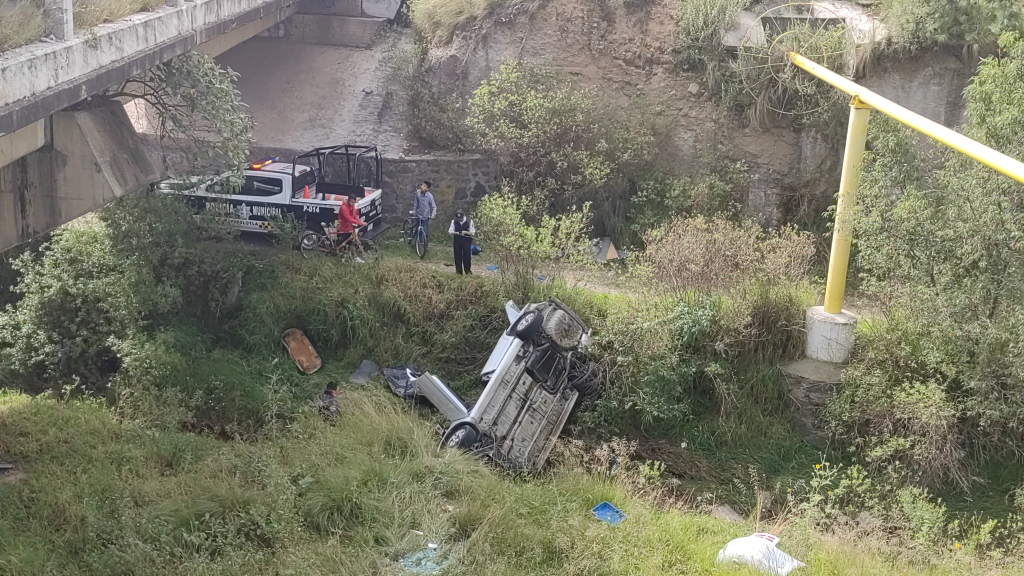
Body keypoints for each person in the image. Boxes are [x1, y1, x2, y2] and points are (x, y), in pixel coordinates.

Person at [448, 209, 475, 275]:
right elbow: (450, 231)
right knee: (457, 256)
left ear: (463, 216)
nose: (459, 220)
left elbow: (473, 232)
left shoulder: (469, 221)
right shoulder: (454, 221)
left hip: (466, 240)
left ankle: (467, 271)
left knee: (467, 256)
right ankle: (459, 272)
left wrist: (465, 232)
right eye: (458, 219)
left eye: (461, 218)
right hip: (457, 240)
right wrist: (457, 233)